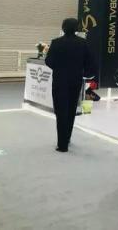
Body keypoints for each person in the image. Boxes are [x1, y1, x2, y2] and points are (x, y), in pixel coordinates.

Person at [45, 18, 94, 152]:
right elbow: (89, 62)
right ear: (77, 28)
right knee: (71, 110)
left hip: (59, 80)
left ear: (63, 28)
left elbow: (48, 61)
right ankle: (67, 138)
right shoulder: (83, 43)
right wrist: (81, 70)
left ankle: (62, 144)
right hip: (75, 80)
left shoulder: (56, 42)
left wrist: (58, 68)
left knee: (60, 111)